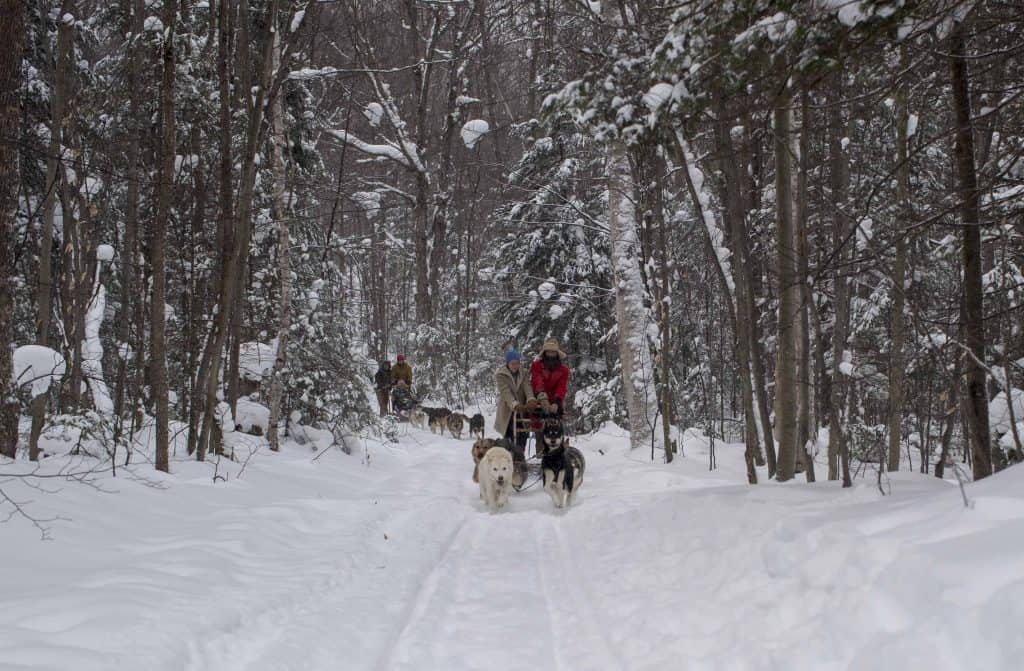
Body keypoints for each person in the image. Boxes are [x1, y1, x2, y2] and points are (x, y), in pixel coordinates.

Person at [494, 348, 537, 451]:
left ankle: (520, 457)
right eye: (512, 363)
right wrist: (514, 404)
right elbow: (505, 392)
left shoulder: (524, 372)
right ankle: (509, 457)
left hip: (522, 408)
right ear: (508, 363)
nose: (515, 366)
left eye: (517, 363)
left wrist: (531, 399)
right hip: (508, 409)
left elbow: (527, 386)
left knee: (523, 433)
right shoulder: (501, 375)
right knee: (509, 435)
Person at [530, 338, 570, 417]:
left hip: (554, 400)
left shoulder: (564, 370)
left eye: (553, 352)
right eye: (548, 352)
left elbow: (561, 387)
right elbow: (537, 380)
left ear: (557, 353)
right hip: (538, 398)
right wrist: (542, 396)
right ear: (545, 353)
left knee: (556, 421)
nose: (551, 354)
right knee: (537, 419)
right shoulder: (536, 365)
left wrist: (556, 402)